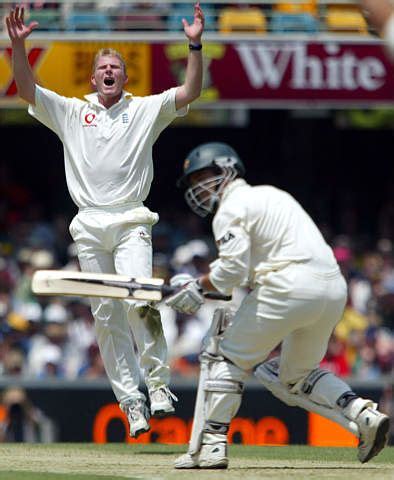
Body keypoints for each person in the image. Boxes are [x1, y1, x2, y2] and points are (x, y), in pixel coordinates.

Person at [5, 3, 204, 439]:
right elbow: (25, 89)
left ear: (124, 77)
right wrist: (18, 46)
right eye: (104, 68)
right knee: (106, 314)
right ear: (94, 78)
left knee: (141, 300)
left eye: (116, 66)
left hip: (132, 218)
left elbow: (190, 91)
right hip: (90, 224)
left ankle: (158, 386)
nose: (110, 72)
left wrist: (194, 45)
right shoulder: (73, 112)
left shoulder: (145, 109)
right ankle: (131, 402)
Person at [165, 142, 390, 468]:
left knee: (226, 356)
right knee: (294, 377)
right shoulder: (272, 194)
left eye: (203, 176)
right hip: (331, 289)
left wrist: (196, 287)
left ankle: (212, 444)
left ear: (227, 168)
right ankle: (361, 413)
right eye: (192, 183)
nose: (197, 188)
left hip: (288, 284)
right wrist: (206, 288)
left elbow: (231, 271)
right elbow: (244, 271)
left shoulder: (231, 207)